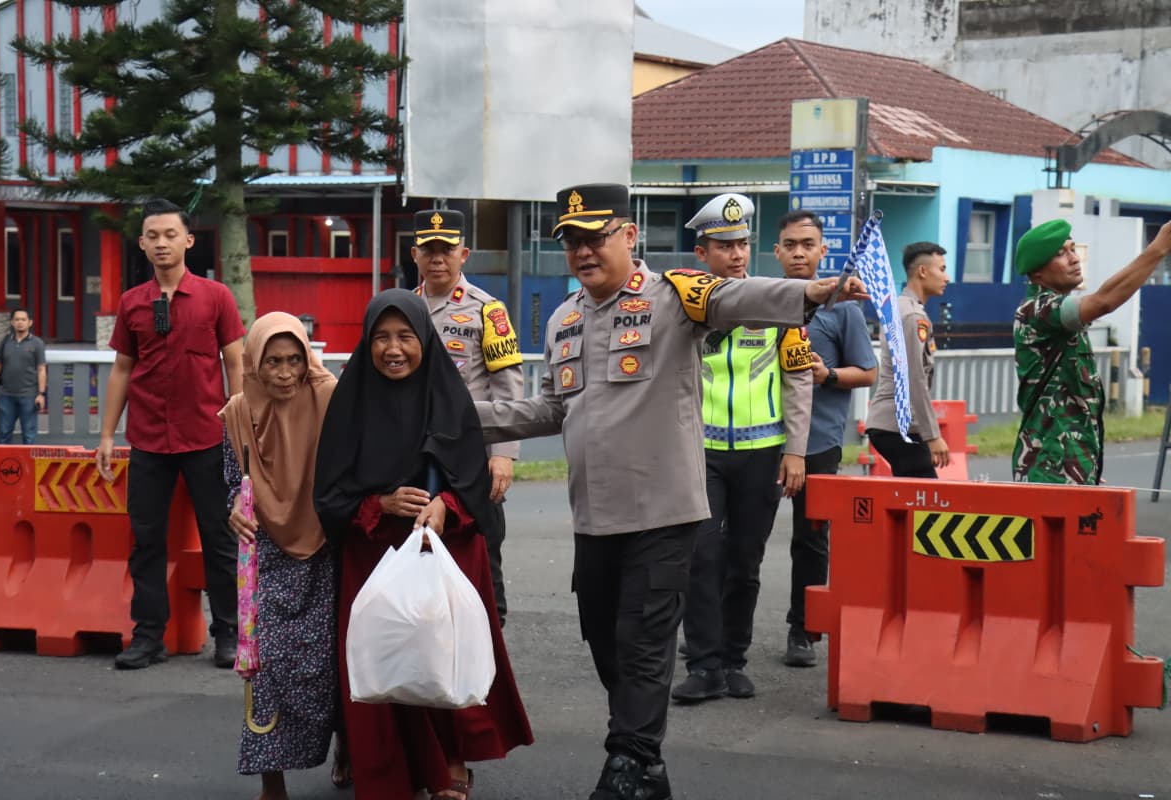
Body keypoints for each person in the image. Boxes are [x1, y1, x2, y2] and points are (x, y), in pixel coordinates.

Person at [473, 183, 868, 800]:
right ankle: (647, 767)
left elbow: (739, 296)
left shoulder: (676, 297)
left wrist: (812, 292)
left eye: (595, 237)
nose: (583, 251)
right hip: (594, 517)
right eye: (572, 241)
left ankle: (626, 762)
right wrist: (460, 419)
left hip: (664, 513)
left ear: (629, 236)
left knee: (643, 640)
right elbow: (551, 408)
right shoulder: (563, 318)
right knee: (606, 642)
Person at [314, 289, 533, 800]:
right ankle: (384, 766)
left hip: (444, 548)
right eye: (381, 338)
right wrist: (379, 504)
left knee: (442, 656)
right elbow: (329, 495)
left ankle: (451, 758)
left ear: (425, 342)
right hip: (373, 551)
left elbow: (474, 483)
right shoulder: (352, 405)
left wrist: (446, 506)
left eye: (406, 337)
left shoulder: (448, 399)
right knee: (383, 658)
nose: (393, 349)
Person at [671, 194, 813, 704]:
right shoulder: (682, 306)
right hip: (700, 452)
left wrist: (796, 451)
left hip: (762, 453)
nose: (736, 254)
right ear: (702, 252)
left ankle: (734, 661)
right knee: (701, 556)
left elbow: (799, 379)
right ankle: (703, 664)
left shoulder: (774, 304)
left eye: (742, 244)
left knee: (744, 561)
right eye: (724, 246)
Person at [96, 198, 245, 670]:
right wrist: (107, 435)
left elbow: (235, 361)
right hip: (148, 440)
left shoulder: (216, 297)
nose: (162, 243)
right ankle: (148, 636)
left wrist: (239, 423)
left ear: (188, 240)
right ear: (142, 244)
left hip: (207, 436)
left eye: (170, 235)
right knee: (146, 541)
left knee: (220, 538)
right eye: (153, 236)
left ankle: (228, 633)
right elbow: (123, 369)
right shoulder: (132, 302)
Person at [219, 312, 343, 800]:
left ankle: (347, 748)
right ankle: (272, 780)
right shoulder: (237, 411)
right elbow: (234, 479)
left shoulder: (331, 398)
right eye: (273, 362)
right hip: (267, 551)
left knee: (333, 664)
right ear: (254, 363)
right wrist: (235, 503)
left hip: (328, 548)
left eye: (295, 360)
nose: (286, 373)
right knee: (266, 667)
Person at [773, 210, 878, 668]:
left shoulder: (843, 308)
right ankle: (718, 636)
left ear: (823, 250)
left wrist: (828, 375)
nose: (798, 253)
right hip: (760, 439)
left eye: (807, 244)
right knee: (737, 539)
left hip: (817, 443)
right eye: (790, 245)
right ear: (776, 251)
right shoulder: (760, 301)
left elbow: (869, 372)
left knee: (810, 540)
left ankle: (805, 630)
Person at [412, 208, 524, 626]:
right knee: (420, 559)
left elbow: (508, 386)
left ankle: (490, 641)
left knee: (481, 556)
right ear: (415, 254)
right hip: (414, 457)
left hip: (471, 456)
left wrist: (504, 454)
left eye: (446, 249)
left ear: (464, 253)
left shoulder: (487, 310)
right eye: (429, 249)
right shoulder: (402, 306)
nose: (437, 258)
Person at [1013, 218, 1171, 484]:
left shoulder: (1060, 313)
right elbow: (1103, 301)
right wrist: (1159, 248)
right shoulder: (1038, 310)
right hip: (1049, 469)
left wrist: (1086, 468)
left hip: (1071, 465)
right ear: (1037, 272)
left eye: (1073, 249)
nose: (1074, 259)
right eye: (1061, 254)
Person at [865, 241, 951, 479]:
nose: (947, 277)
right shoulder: (912, 315)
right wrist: (932, 435)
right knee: (926, 493)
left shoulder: (900, 307)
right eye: (942, 269)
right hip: (896, 424)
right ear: (922, 271)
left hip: (891, 423)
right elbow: (914, 378)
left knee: (910, 494)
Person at [0, 307, 47, 444]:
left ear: (30, 322)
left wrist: (41, 394)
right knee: (4, 434)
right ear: (12, 322)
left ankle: (27, 460)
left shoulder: (37, 343)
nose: (20, 322)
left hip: (29, 396)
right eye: (17, 319)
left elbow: (41, 369)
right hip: (7, 395)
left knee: (29, 436)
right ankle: (3, 459)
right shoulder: (5, 341)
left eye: (23, 319)